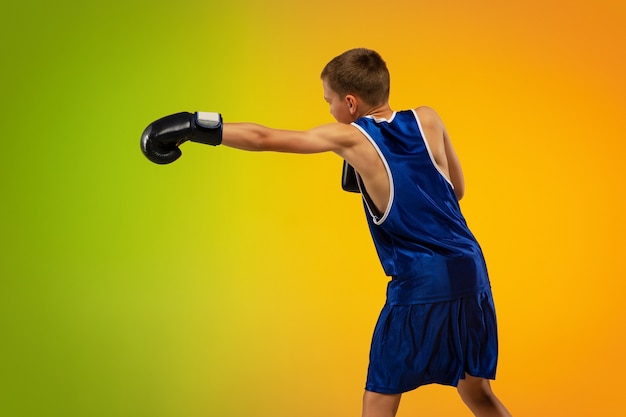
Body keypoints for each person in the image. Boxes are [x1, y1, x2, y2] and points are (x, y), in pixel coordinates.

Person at [140, 48, 512, 417]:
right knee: (477, 393)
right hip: (471, 271)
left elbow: (265, 138)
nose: (330, 110)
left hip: (421, 281)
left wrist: (193, 126)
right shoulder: (428, 118)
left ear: (350, 103)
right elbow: (456, 190)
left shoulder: (351, 138)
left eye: (329, 101)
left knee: (378, 402)